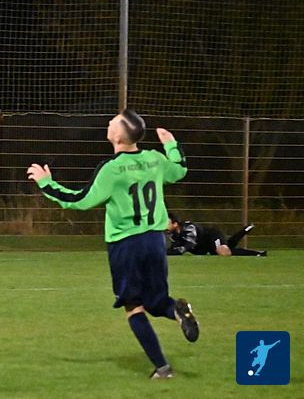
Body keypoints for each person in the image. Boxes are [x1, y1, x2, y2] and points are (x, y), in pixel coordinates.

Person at [26, 109, 199, 379]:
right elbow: (179, 170)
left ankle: (163, 369)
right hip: (155, 241)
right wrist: (171, 145)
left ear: (119, 136)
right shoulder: (154, 159)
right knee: (157, 302)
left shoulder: (112, 168)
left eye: (113, 122)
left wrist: (46, 184)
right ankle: (178, 311)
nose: (109, 123)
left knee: (133, 306)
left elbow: (80, 200)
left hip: (126, 244)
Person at [166, 213, 265, 257]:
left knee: (223, 252)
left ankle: (257, 253)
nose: (164, 224)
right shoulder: (173, 235)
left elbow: (185, 248)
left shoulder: (189, 228)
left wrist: (164, 252)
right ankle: (245, 230)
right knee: (228, 246)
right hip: (207, 246)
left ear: (175, 224)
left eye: (167, 222)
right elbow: (174, 248)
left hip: (212, 236)